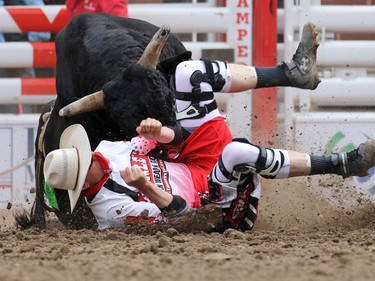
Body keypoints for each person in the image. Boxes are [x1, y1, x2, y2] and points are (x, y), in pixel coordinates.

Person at [42, 22, 349, 231]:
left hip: (194, 159)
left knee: (188, 72)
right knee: (235, 154)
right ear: (83, 184)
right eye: (86, 163)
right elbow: (180, 217)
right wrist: (145, 187)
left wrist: (160, 133)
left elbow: (170, 140)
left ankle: (290, 73)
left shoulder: (106, 151)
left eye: (84, 153)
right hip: (215, 207)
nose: (91, 156)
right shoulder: (112, 210)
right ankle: (340, 164)